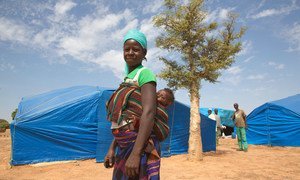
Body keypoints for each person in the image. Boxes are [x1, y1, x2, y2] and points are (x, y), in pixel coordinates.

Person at [104, 29, 162, 180]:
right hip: (123, 145)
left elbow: (149, 112)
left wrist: (136, 154)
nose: (130, 52)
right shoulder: (127, 78)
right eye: (126, 49)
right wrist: (112, 148)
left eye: (135, 49)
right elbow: (122, 119)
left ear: (144, 53)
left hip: (137, 145)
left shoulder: (144, 74)